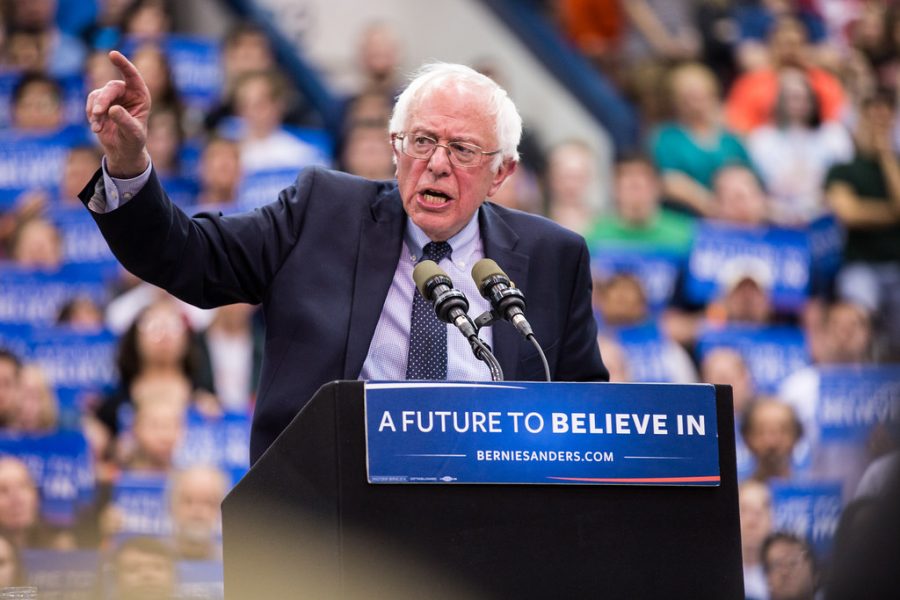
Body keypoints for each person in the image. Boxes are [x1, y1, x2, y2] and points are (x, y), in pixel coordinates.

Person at [82, 52, 608, 462]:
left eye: (464, 150)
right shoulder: (322, 214)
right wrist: (128, 164)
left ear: (503, 173)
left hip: (486, 520)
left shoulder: (553, 257)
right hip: (328, 512)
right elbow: (187, 256)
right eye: (422, 141)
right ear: (395, 149)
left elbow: (585, 418)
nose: (437, 165)